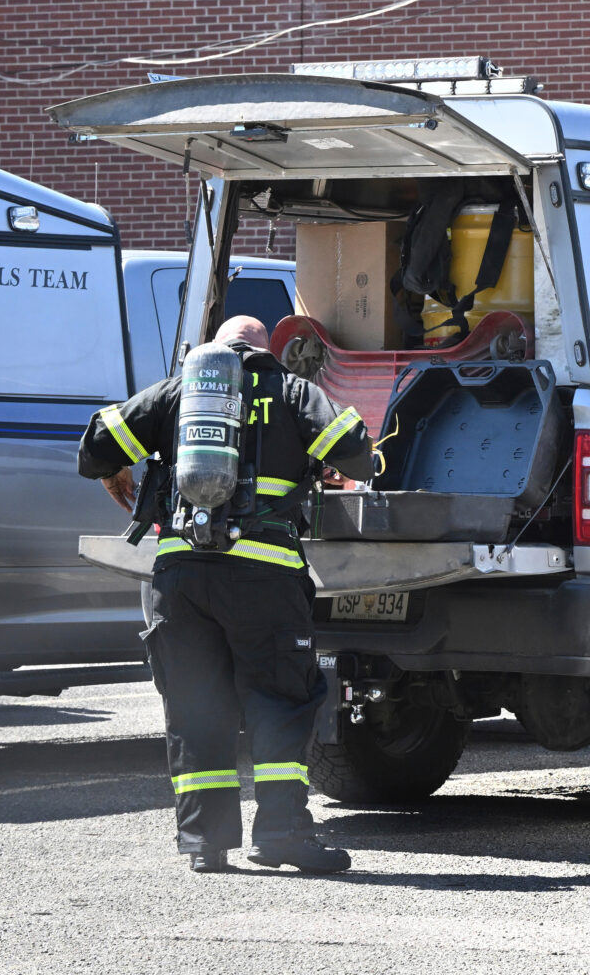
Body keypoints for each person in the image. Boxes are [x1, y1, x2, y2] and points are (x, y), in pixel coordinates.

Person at [79, 315, 373, 874]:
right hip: (265, 576)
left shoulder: (181, 393)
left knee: (196, 706)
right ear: (266, 350)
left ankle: (203, 843)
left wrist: (114, 472)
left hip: (181, 578)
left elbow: (95, 445)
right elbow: (357, 451)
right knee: (279, 702)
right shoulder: (291, 390)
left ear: (215, 350)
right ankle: (282, 835)